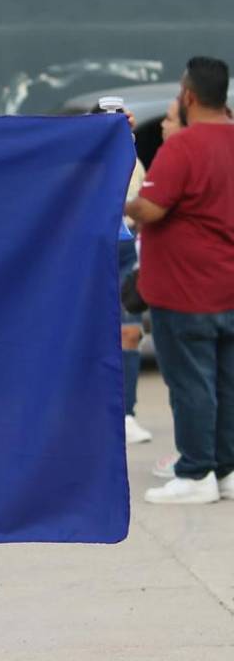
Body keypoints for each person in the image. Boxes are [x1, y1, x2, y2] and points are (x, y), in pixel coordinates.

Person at [125, 56, 234, 505]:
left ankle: (194, 474)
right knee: (225, 385)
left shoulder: (182, 148)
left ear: (189, 96)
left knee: (191, 385)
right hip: (226, 289)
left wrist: (125, 200)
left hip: (184, 292)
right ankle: (225, 469)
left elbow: (151, 209)